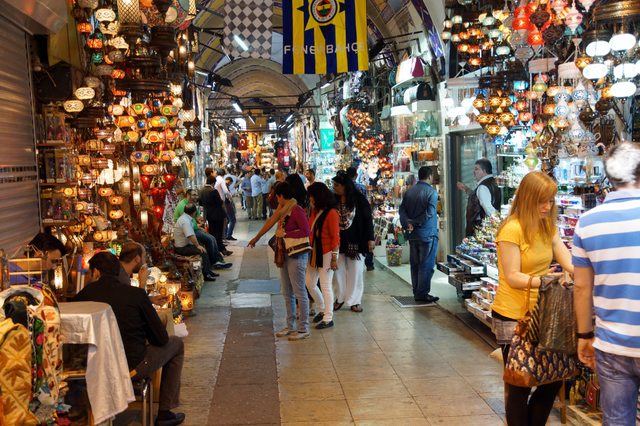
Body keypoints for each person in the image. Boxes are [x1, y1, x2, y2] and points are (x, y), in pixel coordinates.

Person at [491, 171, 573, 426]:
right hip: (515, 316)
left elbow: (569, 261)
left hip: (544, 313)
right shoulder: (511, 229)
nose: (547, 206)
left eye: (551, 201)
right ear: (527, 199)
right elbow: (514, 277)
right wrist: (547, 281)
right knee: (521, 385)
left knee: (552, 379)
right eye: (542, 201)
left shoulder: (547, 225)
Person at [75, 252, 185, 426]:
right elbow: (161, 339)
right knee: (176, 344)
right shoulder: (135, 294)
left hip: (93, 367)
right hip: (132, 367)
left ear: (95, 272)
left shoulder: (81, 297)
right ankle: (165, 412)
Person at [573, 143, 640, 425]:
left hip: (611, 343)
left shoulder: (588, 222)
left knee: (616, 420)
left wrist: (585, 335)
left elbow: (581, 288)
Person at [248, 183, 311, 340]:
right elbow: (270, 222)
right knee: (287, 292)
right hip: (284, 254)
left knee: (299, 292)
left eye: (277, 196)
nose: (276, 199)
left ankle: (303, 328)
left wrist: (285, 233)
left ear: (282, 196)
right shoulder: (284, 209)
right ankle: (290, 326)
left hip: (296, 255)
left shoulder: (295, 209)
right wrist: (257, 238)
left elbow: (306, 231)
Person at [331, 174, 374, 313]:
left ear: (345, 186)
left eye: (337, 185)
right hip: (338, 241)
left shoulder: (359, 200)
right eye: (334, 185)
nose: (334, 188)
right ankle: (340, 298)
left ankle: (355, 300)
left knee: (355, 271)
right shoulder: (333, 200)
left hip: (357, 240)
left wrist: (370, 238)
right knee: (338, 272)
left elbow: (368, 220)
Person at [399, 166, 440, 303]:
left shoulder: (409, 192)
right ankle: (422, 293)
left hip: (413, 235)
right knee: (426, 265)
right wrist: (415, 222)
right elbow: (430, 213)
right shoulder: (431, 192)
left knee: (415, 264)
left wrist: (407, 223)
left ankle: (417, 291)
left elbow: (402, 210)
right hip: (427, 233)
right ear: (429, 177)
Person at [305, 183, 340, 329]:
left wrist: (334, 258)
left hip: (326, 252)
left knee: (325, 285)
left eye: (311, 196)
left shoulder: (331, 213)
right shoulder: (315, 211)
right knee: (310, 282)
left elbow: (335, 238)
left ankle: (328, 317)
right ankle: (322, 309)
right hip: (314, 252)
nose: (310, 198)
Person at [174, 189, 233, 259]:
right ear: (188, 195)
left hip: (192, 228)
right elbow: (188, 223)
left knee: (212, 238)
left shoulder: (189, 204)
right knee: (209, 240)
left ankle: (218, 259)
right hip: (187, 231)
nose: (196, 197)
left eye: (196, 195)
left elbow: (196, 215)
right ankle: (214, 260)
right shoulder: (183, 206)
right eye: (194, 195)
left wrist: (194, 204)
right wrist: (199, 229)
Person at [174, 203, 218, 281]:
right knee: (202, 251)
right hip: (182, 248)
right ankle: (206, 274)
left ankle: (209, 270)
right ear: (194, 212)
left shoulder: (185, 218)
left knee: (203, 248)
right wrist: (197, 246)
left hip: (186, 245)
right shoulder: (185, 221)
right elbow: (190, 235)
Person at [457, 159, 501, 237]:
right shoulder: (492, 182)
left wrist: (498, 223)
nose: (473, 171)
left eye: (476, 169)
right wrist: (467, 190)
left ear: (483, 171)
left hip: (480, 232)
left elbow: (488, 208)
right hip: (484, 231)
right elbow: (480, 198)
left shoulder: (483, 187)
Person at [347, 166, 374, 271]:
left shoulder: (345, 188)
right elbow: (367, 202)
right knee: (366, 237)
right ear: (356, 175)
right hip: (363, 216)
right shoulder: (362, 187)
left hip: (351, 218)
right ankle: (369, 264)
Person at [199, 176, 229, 256]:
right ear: (213, 183)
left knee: (212, 232)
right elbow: (219, 202)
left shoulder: (201, 191)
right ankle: (220, 249)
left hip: (209, 215)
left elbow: (200, 203)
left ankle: (216, 249)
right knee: (218, 233)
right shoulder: (213, 191)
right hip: (218, 214)